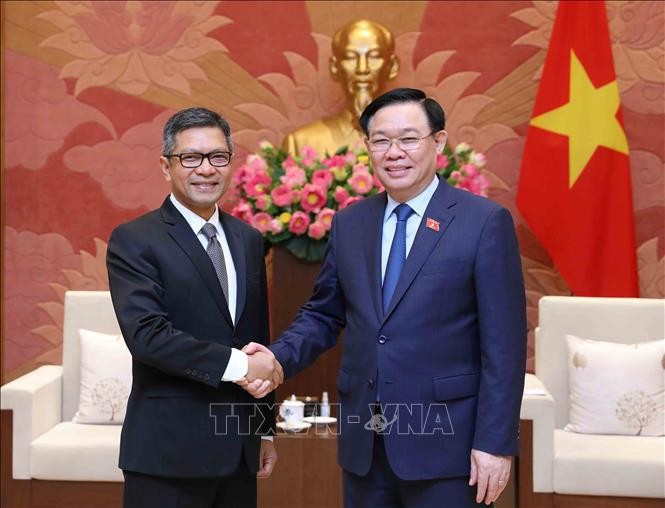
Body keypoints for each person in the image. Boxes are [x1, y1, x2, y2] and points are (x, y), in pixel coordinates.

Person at [242, 88, 527, 507]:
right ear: (368, 147)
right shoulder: (351, 223)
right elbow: (323, 314)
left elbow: (505, 345)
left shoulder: (482, 222)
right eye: (381, 140)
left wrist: (495, 443)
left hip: (449, 449)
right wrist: (277, 360)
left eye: (408, 139)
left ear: (439, 142)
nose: (395, 152)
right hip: (365, 448)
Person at [106, 107, 283, 508]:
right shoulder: (135, 240)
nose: (206, 169)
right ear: (167, 167)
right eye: (191, 158)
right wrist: (239, 366)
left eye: (218, 157)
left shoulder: (248, 239)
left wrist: (263, 429)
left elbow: (256, 337)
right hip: (168, 454)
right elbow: (147, 337)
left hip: (238, 451)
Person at [282, 19, 399, 157]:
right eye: (350, 58)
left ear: (392, 67)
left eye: (374, 57)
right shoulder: (301, 143)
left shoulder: (418, 143)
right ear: (335, 67)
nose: (362, 69)